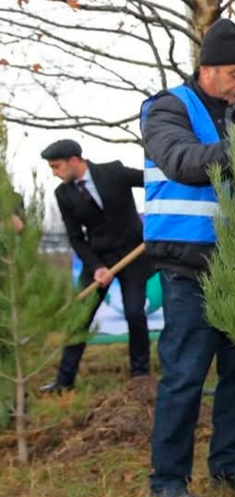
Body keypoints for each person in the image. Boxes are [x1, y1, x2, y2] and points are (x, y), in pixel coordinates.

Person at [141, 18, 235, 497]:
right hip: (188, 268)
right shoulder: (167, 109)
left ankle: (229, 464)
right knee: (185, 373)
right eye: (233, 73)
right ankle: (168, 479)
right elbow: (182, 162)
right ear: (206, 68)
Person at [39, 139, 153, 393]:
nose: (54, 173)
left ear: (74, 161)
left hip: (133, 255)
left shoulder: (114, 171)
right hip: (98, 261)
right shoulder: (63, 194)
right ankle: (63, 381)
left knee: (135, 313)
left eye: (56, 167)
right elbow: (76, 237)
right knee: (79, 319)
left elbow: (153, 181)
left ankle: (140, 376)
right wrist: (97, 267)